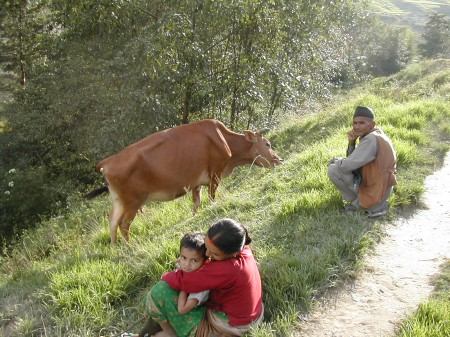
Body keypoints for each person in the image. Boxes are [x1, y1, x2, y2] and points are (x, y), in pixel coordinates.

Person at [138, 218, 264, 337]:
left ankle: (171, 334)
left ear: (232, 252)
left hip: (229, 325)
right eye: (206, 247)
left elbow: (183, 281)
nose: (207, 254)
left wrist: (166, 276)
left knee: (160, 290)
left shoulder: (229, 268)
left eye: (214, 253)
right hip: (250, 315)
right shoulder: (243, 248)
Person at [328, 106, 397, 217]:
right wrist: (352, 143)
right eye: (355, 123)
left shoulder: (371, 139)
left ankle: (358, 204)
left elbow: (348, 166)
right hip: (379, 188)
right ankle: (359, 201)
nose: (356, 127)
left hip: (376, 192)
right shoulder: (376, 135)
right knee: (339, 164)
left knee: (334, 168)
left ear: (373, 124)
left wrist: (335, 162)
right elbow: (355, 161)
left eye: (361, 123)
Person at [175, 232, 210, 314]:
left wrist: (183, 286)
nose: (187, 264)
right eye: (184, 257)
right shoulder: (188, 268)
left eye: (194, 260)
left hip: (195, 314)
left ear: (205, 261)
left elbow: (182, 310)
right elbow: (178, 263)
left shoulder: (201, 286)